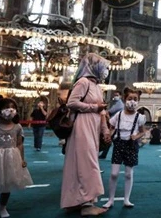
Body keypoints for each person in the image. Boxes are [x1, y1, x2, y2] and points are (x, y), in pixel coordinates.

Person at [60, 53, 111, 216]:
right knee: (86, 163)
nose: (106, 71)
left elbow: (101, 109)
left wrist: (105, 129)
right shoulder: (83, 82)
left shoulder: (97, 86)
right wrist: (93, 108)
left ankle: (75, 201)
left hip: (93, 126)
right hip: (82, 125)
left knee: (82, 163)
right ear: (94, 66)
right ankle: (88, 204)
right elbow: (71, 103)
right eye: (104, 67)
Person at [103, 89, 145, 209]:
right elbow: (111, 128)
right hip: (119, 145)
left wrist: (136, 136)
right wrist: (108, 135)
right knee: (114, 174)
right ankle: (110, 199)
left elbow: (143, 132)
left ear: (138, 101)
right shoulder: (119, 114)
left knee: (128, 174)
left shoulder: (140, 117)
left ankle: (126, 199)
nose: (132, 102)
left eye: (135, 99)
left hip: (131, 146)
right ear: (125, 100)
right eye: (130, 99)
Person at [100, 91, 124, 159]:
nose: (115, 96)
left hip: (116, 125)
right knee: (111, 140)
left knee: (112, 140)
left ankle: (116, 156)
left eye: (117, 95)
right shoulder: (116, 103)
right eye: (114, 95)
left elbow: (110, 111)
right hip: (115, 124)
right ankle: (104, 154)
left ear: (120, 96)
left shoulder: (119, 104)